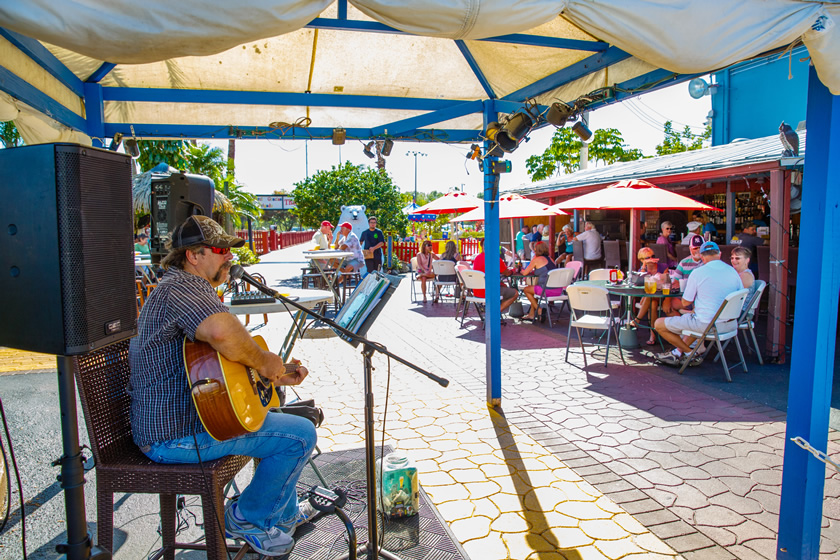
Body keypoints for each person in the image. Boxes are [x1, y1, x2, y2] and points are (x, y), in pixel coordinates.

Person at [127, 216, 317, 557]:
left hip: (189, 424)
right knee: (299, 435)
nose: (229, 257)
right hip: (174, 437)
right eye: (220, 250)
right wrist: (263, 361)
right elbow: (221, 334)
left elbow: (213, 364)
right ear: (193, 256)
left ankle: (284, 516)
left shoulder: (184, 287)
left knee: (279, 417)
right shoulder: (180, 288)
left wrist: (273, 374)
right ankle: (247, 518)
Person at [654, 241, 743, 367]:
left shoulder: (698, 272)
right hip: (731, 325)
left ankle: (690, 353)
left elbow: (685, 302)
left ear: (701, 256)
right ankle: (677, 353)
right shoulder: (733, 272)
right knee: (695, 317)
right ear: (720, 254)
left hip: (708, 325)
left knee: (659, 324)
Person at [629, 247, 669, 345]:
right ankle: (653, 334)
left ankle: (637, 320)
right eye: (648, 257)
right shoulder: (641, 270)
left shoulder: (663, 266)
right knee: (653, 304)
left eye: (653, 256)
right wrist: (644, 267)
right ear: (642, 260)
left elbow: (667, 284)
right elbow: (640, 283)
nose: (652, 259)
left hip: (662, 296)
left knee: (650, 296)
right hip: (649, 298)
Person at [472, 238, 518, 315]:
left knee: (504, 287)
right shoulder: (495, 259)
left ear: (482, 246)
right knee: (515, 293)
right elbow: (507, 273)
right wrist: (514, 270)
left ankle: (492, 309)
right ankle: (495, 313)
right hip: (490, 291)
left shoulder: (477, 258)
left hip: (477, 291)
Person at [520, 241, 558, 322]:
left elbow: (525, 273)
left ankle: (539, 309)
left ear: (536, 250)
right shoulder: (551, 259)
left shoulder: (537, 259)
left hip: (546, 290)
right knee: (534, 290)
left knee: (526, 289)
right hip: (558, 290)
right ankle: (531, 314)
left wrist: (521, 270)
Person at [669, 234, 705, 314]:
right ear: (690, 249)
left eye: (700, 248)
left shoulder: (708, 262)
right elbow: (675, 283)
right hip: (686, 299)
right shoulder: (683, 263)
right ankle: (687, 321)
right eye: (695, 248)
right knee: (670, 305)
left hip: (703, 299)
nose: (698, 250)